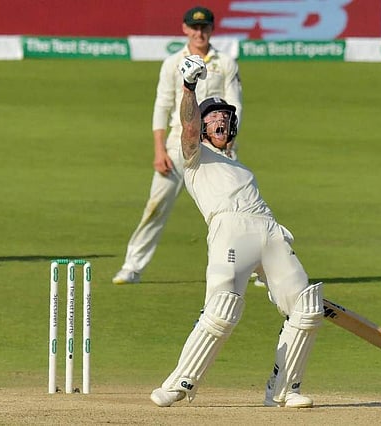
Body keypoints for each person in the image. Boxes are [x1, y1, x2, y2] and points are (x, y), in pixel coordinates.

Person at [149, 55, 323, 409]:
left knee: (307, 307)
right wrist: (189, 88)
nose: (220, 121)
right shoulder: (195, 156)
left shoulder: (240, 166)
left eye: (225, 117)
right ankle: (180, 383)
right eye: (212, 117)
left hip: (269, 229)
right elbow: (187, 126)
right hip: (229, 229)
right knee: (222, 309)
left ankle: (284, 390)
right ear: (202, 127)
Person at [113, 6, 243, 284]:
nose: (199, 33)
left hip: (217, 148)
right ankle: (132, 266)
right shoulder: (173, 63)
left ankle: (250, 267)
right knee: (156, 205)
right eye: (194, 27)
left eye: (204, 27)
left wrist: (228, 141)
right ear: (185, 29)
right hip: (177, 144)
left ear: (212, 29)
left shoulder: (225, 63)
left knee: (234, 210)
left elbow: (235, 105)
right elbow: (162, 105)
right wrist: (159, 149)